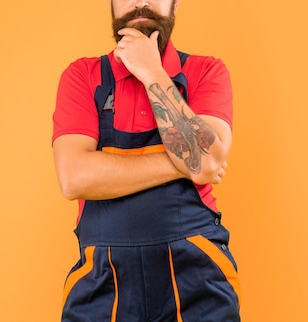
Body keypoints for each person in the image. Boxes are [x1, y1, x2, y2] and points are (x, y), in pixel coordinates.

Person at [52, 0, 240, 320]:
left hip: (198, 278)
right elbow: (74, 178)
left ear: (175, 4)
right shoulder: (82, 76)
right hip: (101, 283)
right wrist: (184, 163)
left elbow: (204, 161)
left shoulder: (206, 71)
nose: (141, 1)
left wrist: (151, 71)